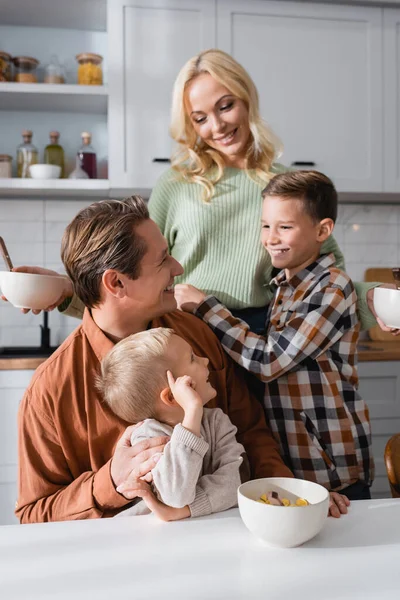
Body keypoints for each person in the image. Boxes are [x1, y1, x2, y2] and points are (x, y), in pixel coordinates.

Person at [15, 195, 303, 524]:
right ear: (116, 282)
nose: (178, 268)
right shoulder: (51, 391)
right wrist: (109, 482)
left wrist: (288, 498)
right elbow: (33, 516)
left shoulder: (196, 334)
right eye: (163, 259)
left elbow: (251, 432)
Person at [147, 48, 386, 335]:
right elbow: (141, 268)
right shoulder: (174, 184)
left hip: (260, 334)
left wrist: (370, 296)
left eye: (225, 106)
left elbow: (325, 274)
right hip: (186, 330)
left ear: (246, 98)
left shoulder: (285, 183)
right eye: (200, 119)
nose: (217, 125)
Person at [174, 171, 374, 500]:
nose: (271, 238)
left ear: (322, 230)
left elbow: (270, 359)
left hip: (331, 466)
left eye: (285, 227)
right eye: (266, 226)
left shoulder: (332, 287)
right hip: (294, 463)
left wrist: (206, 307)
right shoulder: (283, 287)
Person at [98, 327, 247, 521]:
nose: (206, 360)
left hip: (209, 530)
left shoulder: (217, 422)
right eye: (192, 358)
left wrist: (185, 511)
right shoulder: (147, 437)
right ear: (171, 396)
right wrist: (192, 412)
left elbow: (235, 483)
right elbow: (176, 495)